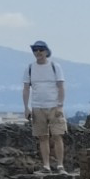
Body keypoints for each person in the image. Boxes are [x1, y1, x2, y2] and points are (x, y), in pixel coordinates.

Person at [22, 40, 67, 172]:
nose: (38, 52)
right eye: (35, 50)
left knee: (58, 135)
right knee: (42, 137)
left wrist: (60, 105)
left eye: (41, 49)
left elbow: (61, 87)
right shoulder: (30, 68)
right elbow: (26, 88)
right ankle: (46, 166)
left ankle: (60, 165)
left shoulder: (55, 66)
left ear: (46, 51)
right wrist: (26, 107)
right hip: (37, 106)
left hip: (54, 106)